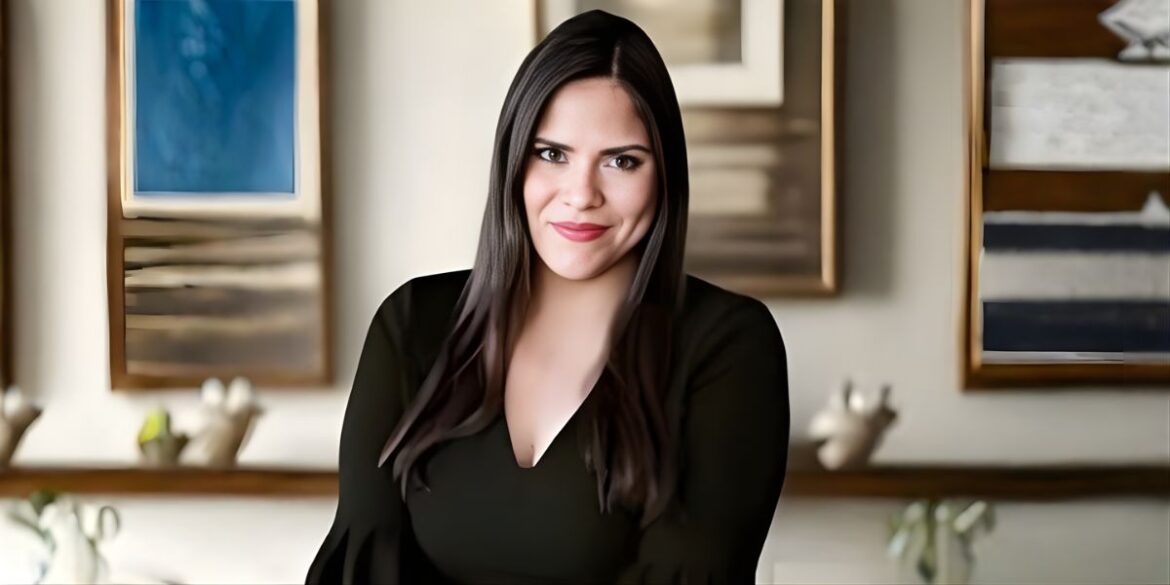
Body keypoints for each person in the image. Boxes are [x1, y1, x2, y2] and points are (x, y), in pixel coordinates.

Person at [306, 9, 789, 584]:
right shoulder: (412, 325)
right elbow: (362, 567)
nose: (581, 194)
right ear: (513, 160)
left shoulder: (729, 346)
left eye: (621, 161)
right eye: (552, 154)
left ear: (664, 176)